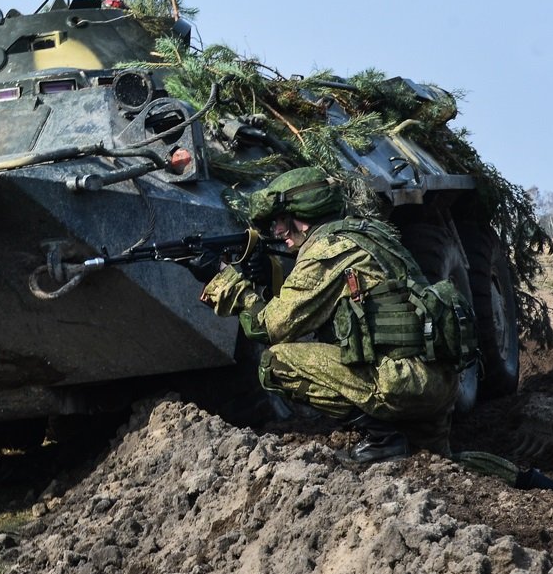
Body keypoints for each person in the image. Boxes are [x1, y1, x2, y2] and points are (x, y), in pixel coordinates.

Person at [193, 166, 461, 464]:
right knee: (437, 460)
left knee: (276, 363)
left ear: (302, 215)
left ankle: (384, 438)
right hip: (435, 382)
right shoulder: (367, 234)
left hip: (401, 382)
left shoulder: (326, 250)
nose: (276, 232)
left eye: (280, 220)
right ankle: (407, 439)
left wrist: (224, 280)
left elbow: (271, 327)